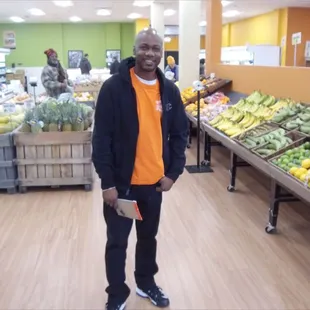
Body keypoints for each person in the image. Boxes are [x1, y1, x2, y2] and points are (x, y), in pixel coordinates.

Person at [92, 27, 188, 310]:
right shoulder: (114, 87)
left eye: (156, 48)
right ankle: (117, 293)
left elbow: (181, 134)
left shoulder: (169, 90)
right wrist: (107, 182)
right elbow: (101, 138)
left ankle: (146, 283)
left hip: (153, 185)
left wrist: (173, 173)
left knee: (148, 238)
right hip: (122, 186)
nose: (150, 53)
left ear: (162, 53)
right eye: (144, 47)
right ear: (135, 50)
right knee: (117, 242)